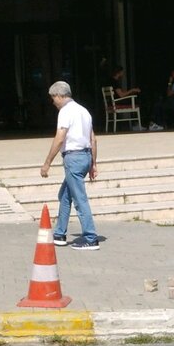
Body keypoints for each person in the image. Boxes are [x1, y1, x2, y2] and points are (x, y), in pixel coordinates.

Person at [40, 81, 100, 250]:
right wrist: (93, 163)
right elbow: (93, 139)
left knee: (80, 199)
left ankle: (90, 237)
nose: (53, 102)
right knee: (65, 195)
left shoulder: (65, 112)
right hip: (85, 156)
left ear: (60, 95)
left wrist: (47, 163)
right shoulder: (84, 111)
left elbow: (60, 138)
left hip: (73, 158)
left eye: (53, 98)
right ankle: (60, 233)